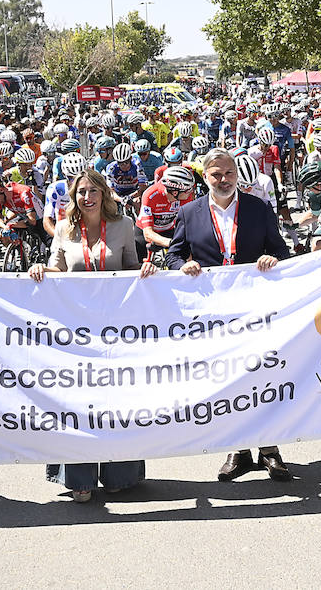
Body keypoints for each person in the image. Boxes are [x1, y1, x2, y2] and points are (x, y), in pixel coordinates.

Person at [28, 169, 156, 502]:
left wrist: (145, 271)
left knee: (115, 399)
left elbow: (129, 267)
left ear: (104, 194)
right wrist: (42, 270)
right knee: (78, 400)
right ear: (74, 196)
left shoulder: (124, 226)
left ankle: (120, 473)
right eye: (81, 192)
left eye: (93, 191)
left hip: (115, 326)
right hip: (75, 328)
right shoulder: (65, 228)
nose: (87, 198)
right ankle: (79, 477)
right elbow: (57, 267)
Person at [165, 148, 292, 482]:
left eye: (228, 173)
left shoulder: (258, 208)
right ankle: (236, 450)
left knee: (260, 379)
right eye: (215, 174)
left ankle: (269, 450)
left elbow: (281, 250)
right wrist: (184, 265)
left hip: (254, 309)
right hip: (213, 313)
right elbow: (173, 255)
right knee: (226, 381)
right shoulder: (189, 212)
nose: (222, 180)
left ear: (237, 175)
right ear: (204, 177)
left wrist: (271, 259)